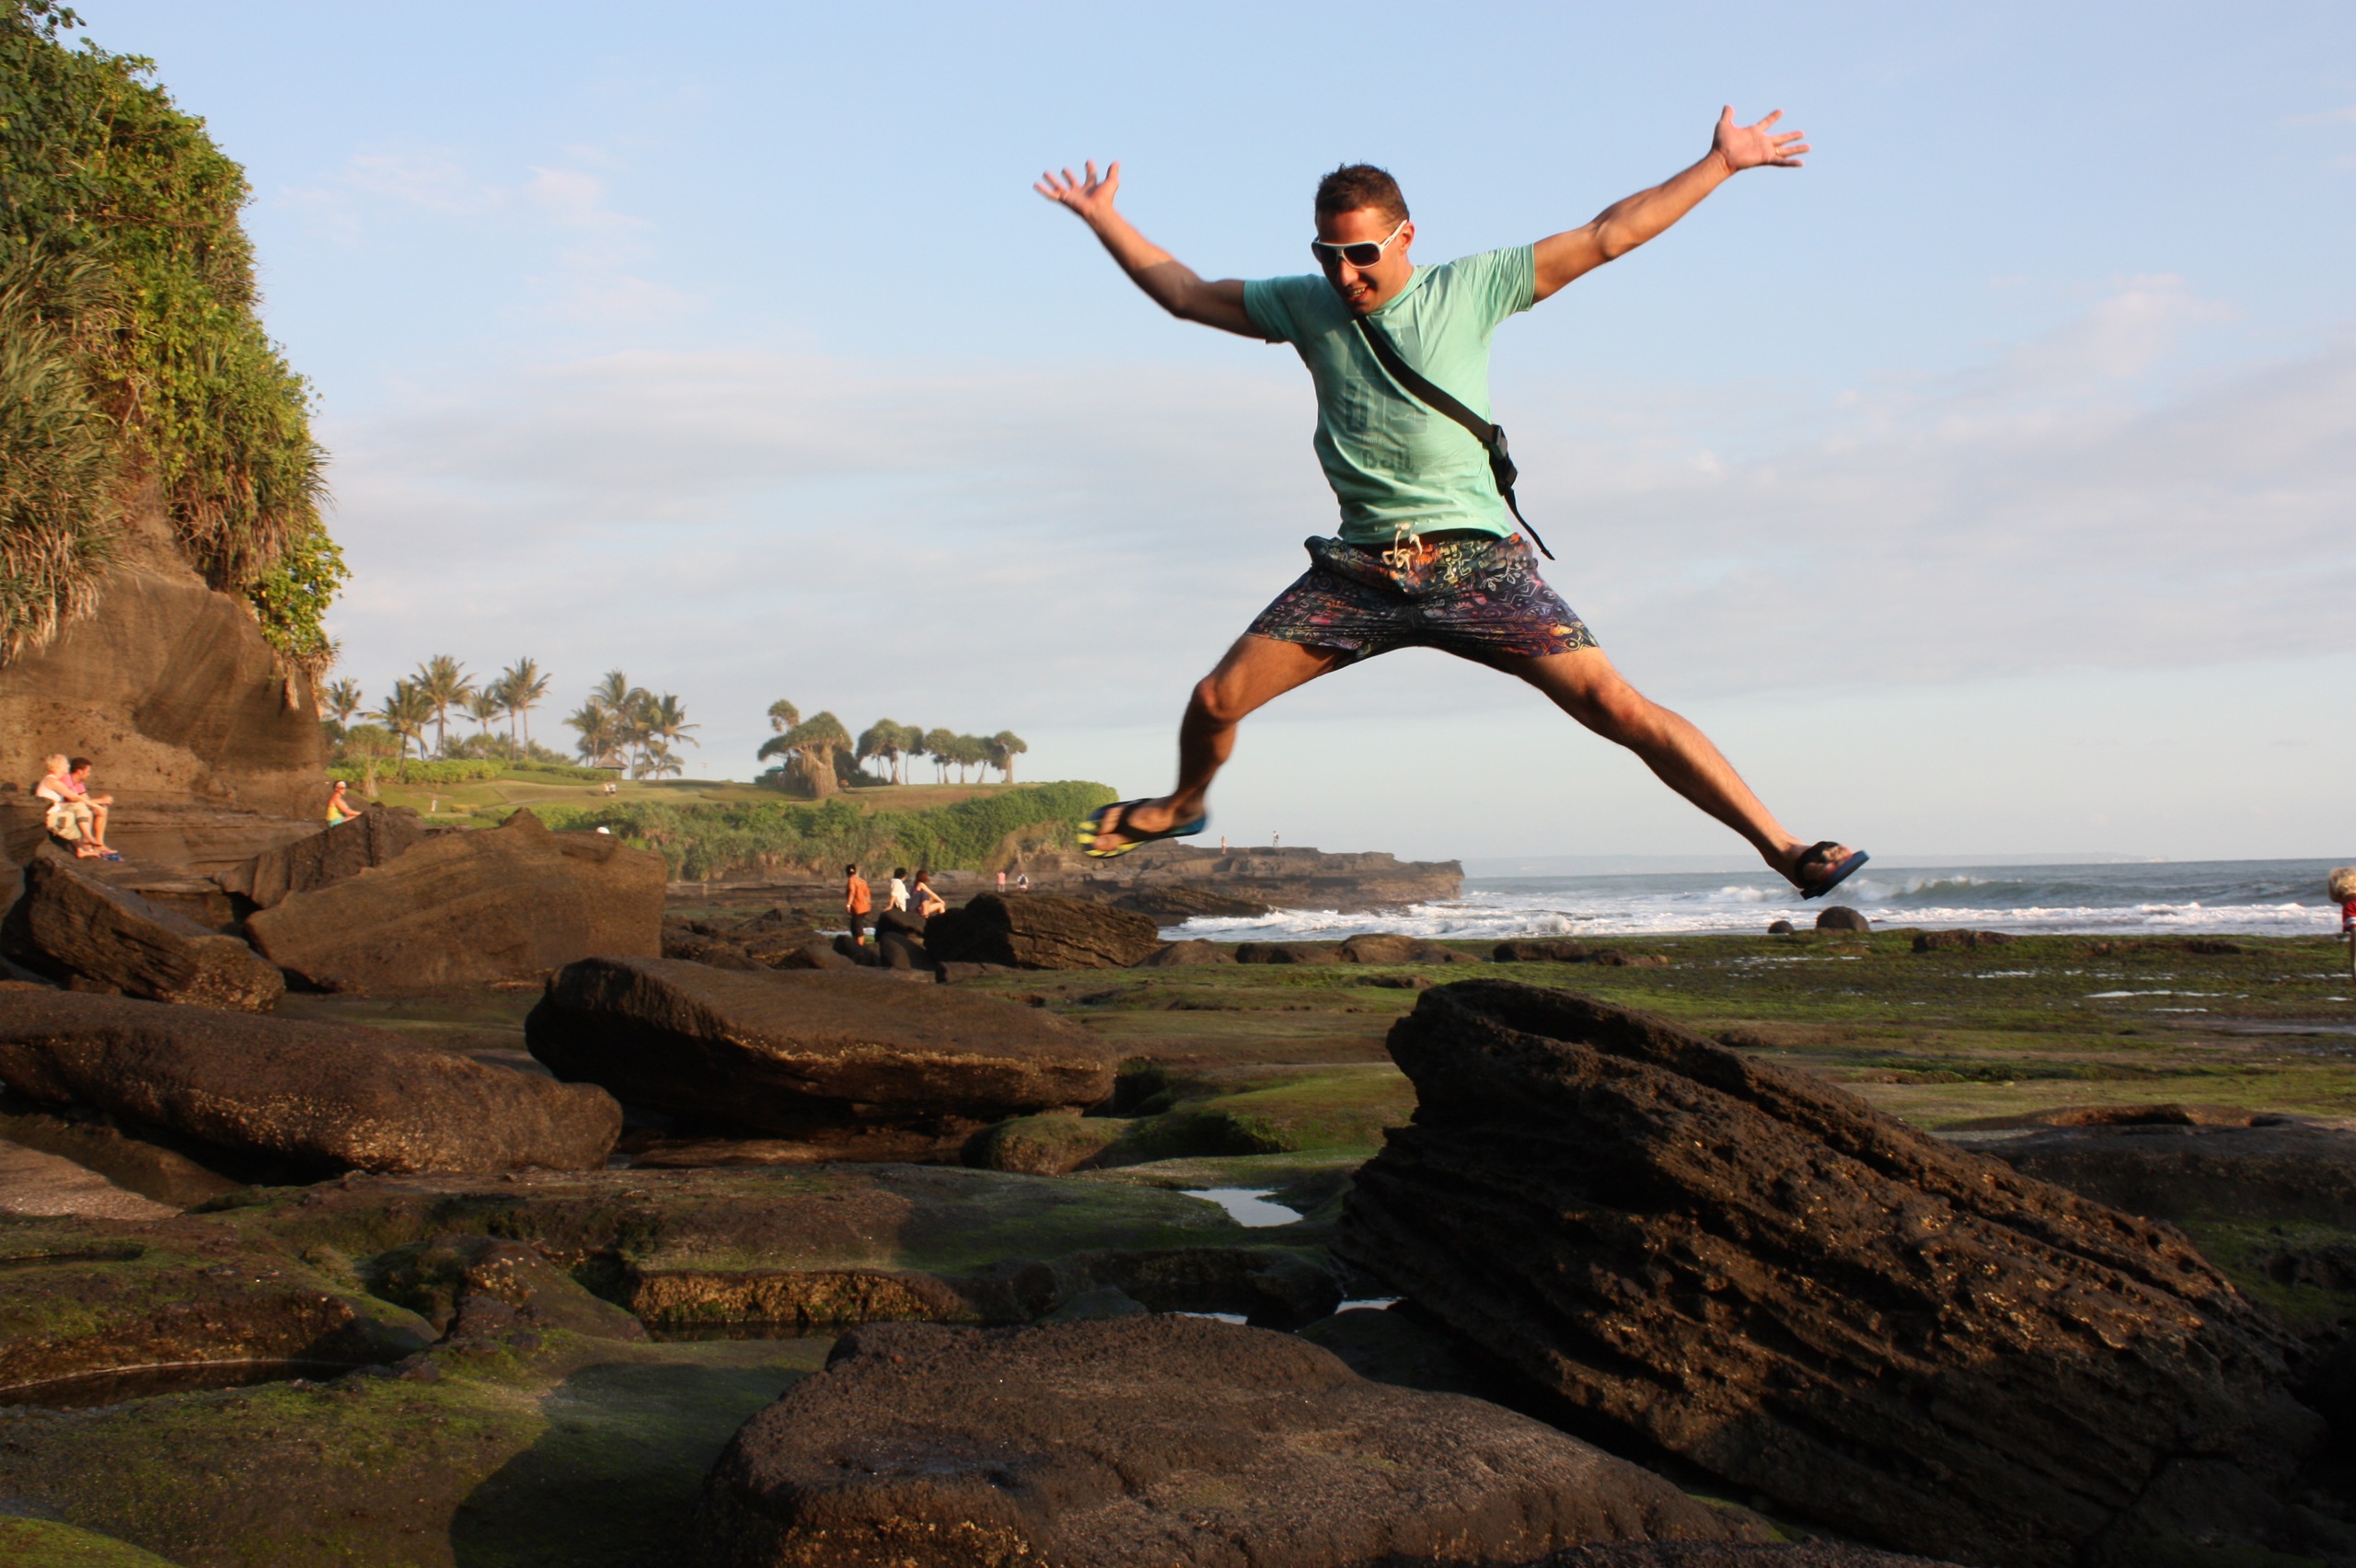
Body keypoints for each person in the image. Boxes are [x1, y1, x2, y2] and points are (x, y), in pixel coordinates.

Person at [1036, 110, 1865, 899]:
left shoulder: (1471, 287)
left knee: (1616, 705)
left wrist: (1722, 162)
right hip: (1361, 572)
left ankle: (1786, 849)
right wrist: (1104, 218)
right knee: (1215, 701)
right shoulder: (1304, 304)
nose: (1344, 274)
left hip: (1477, 566)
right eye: (1327, 255)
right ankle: (1182, 806)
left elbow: (1609, 234)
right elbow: (1186, 293)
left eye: (1361, 254)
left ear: (1405, 237)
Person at [34, 754, 111, 859]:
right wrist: (95, 806)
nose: (68, 765)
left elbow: (65, 801)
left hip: (54, 812)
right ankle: (87, 840)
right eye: (65, 763)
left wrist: (94, 805)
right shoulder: (52, 781)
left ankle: (84, 846)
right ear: (57, 766)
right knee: (77, 810)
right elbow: (73, 796)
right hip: (49, 818)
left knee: (79, 807)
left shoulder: (55, 780)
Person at [844, 862, 872, 946]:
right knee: (854, 925)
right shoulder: (862, 880)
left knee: (857, 926)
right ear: (855, 871)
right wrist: (867, 903)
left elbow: (852, 892)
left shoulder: (851, 880)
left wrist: (848, 904)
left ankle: (860, 945)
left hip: (858, 907)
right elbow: (867, 894)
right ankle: (858, 943)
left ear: (847, 873)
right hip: (865, 906)